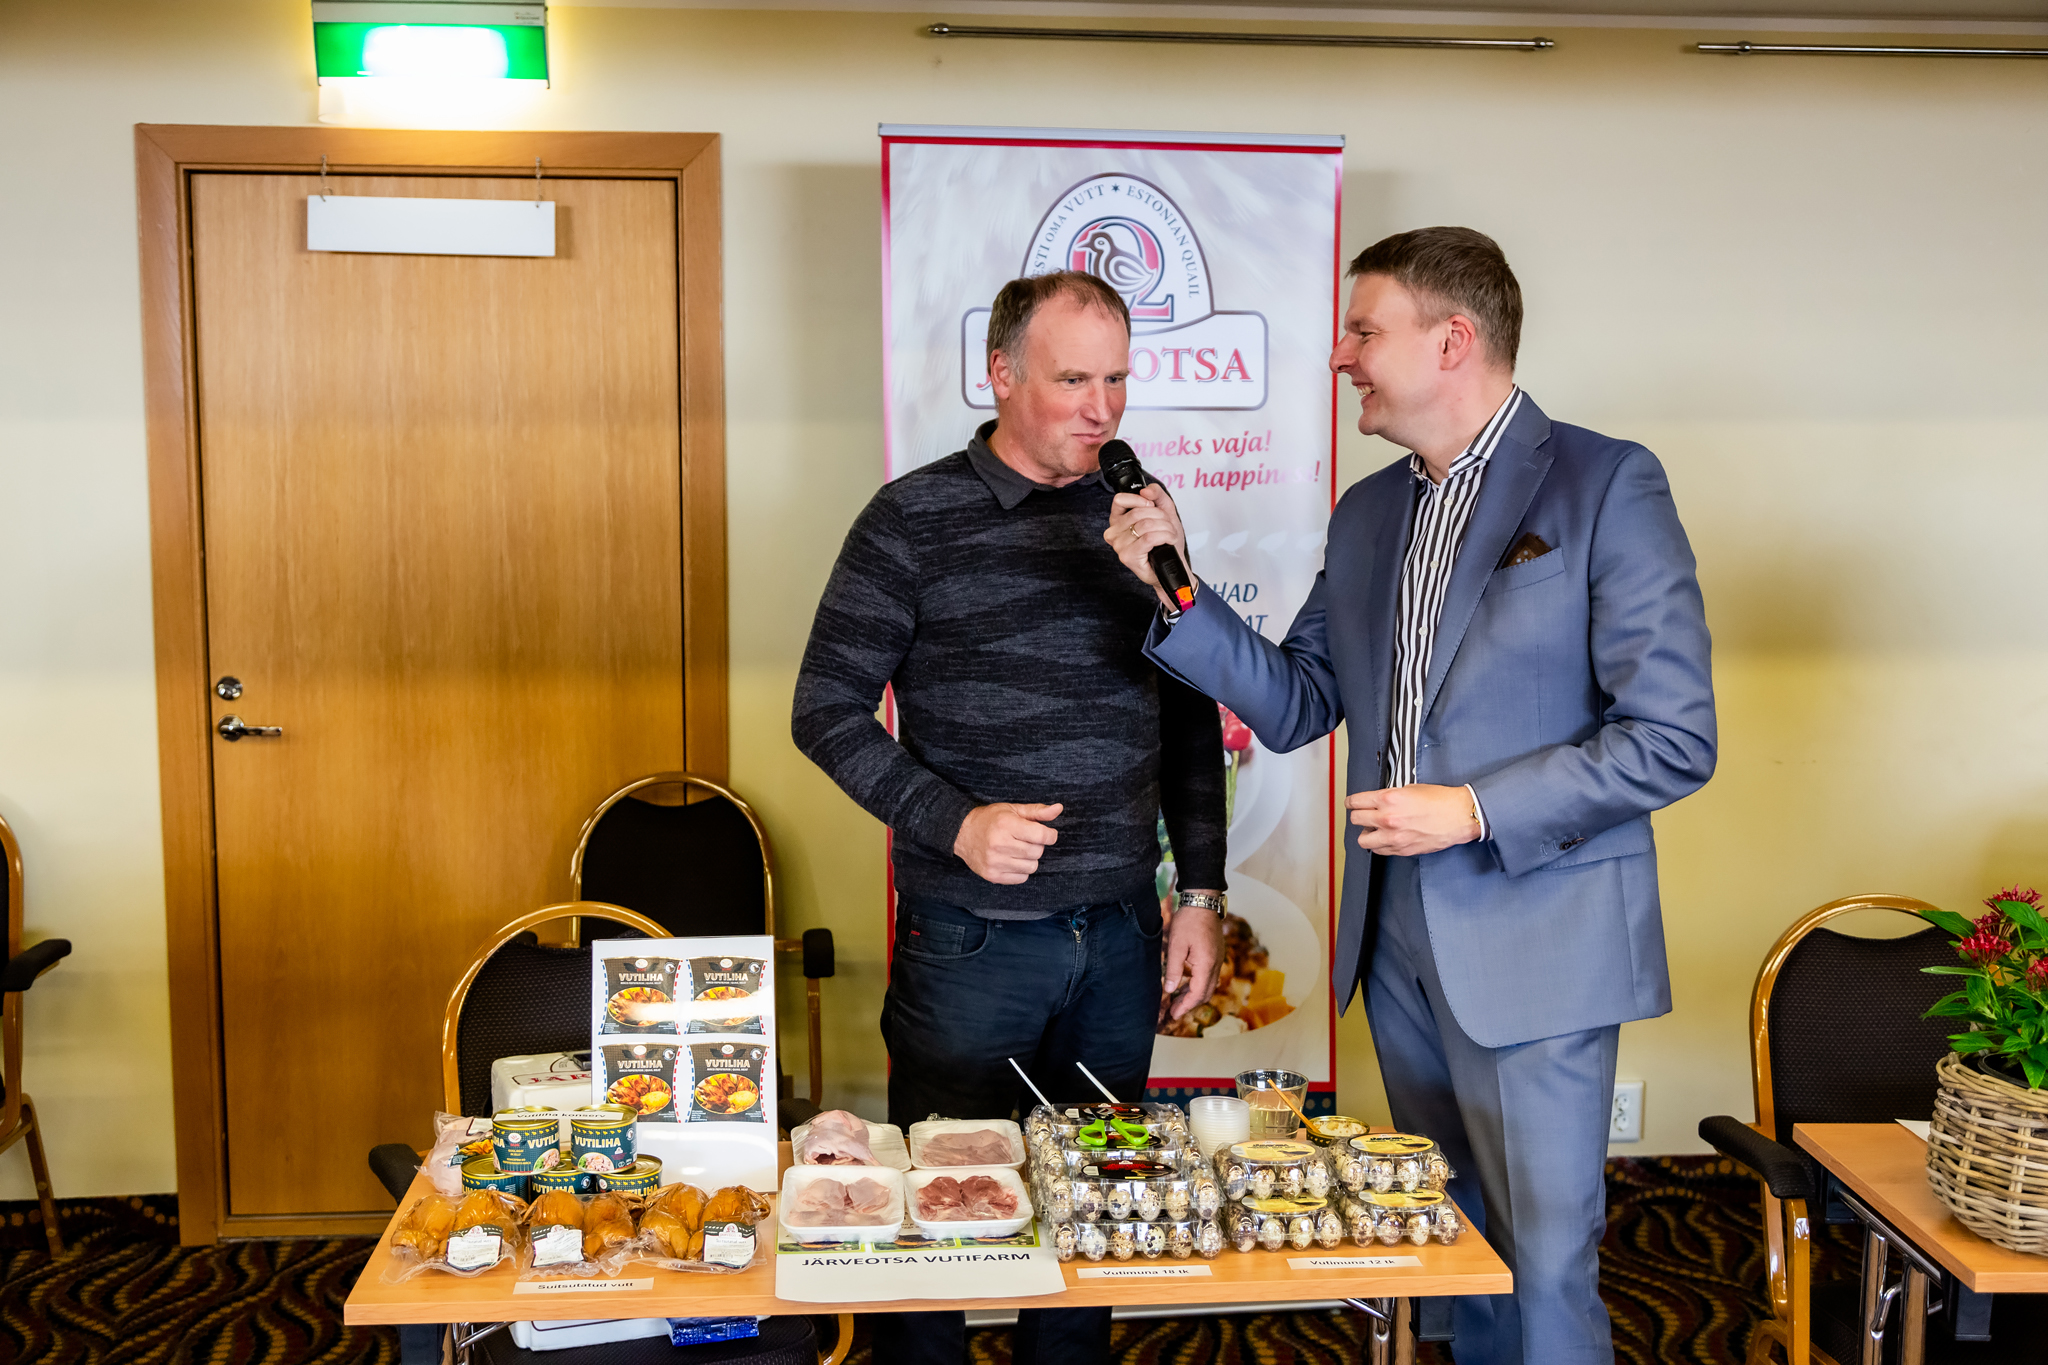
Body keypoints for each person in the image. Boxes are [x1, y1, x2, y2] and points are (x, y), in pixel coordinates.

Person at [1104, 227, 1716, 1365]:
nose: (1340, 356)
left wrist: (1474, 808)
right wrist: (1175, 585)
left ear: (1451, 340)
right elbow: (1296, 700)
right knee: (1451, 1244)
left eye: (1361, 331)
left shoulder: (1605, 482)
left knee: (1544, 1260)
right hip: (1396, 940)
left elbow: (1673, 738)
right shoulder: (1368, 510)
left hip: (1539, 936)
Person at [792, 270, 1228, 1365]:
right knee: (941, 1212)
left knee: (1093, 1214)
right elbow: (824, 709)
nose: (1102, 408)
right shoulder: (911, 520)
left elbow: (1192, 716)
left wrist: (1200, 891)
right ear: (1000, 373)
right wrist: (954, 822)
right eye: (1073, 380)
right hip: (971, 944)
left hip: (1121, 933)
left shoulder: (1141, 520)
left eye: (1117, 380)